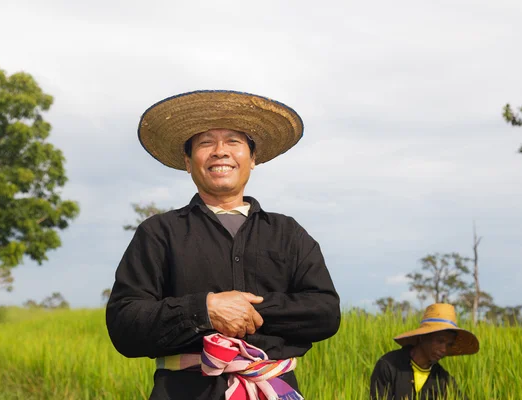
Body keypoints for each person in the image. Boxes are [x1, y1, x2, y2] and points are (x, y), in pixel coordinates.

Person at [105, 90, 341, 400]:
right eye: (205, 143)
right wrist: (204, 310)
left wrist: (246, 310)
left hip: (274, 389)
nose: (220, 151)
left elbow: (324, 312)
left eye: (233, 141)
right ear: (188, 162)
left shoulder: (288, 233)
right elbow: (125, 323)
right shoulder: (158, 233)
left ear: (253, 159)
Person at [370, 303, 478, 399]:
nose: (444, 349)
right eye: (440, 341)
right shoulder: (389, 366)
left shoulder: (444, 380)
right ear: (422, 337)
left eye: (448, 345)